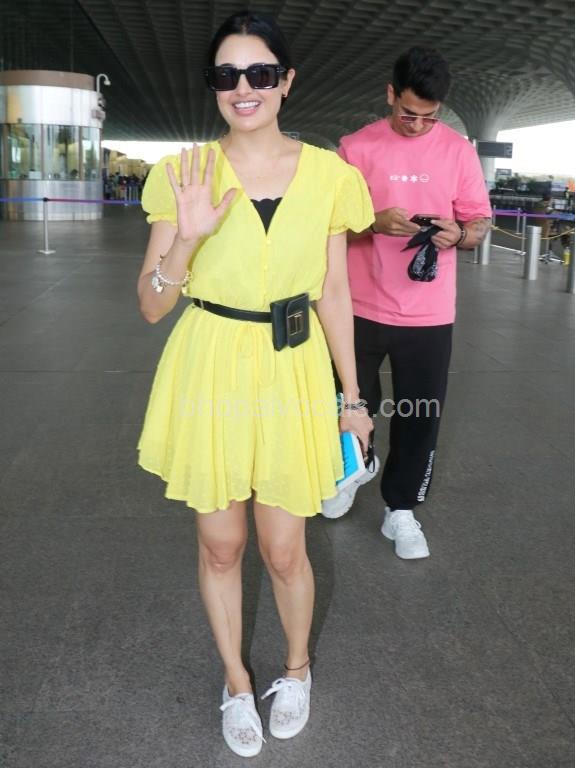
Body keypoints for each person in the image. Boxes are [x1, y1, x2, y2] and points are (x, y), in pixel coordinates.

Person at [136, 10, 373, 758]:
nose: (245, 88)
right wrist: (187, 237)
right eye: (227, 75)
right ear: (213, 86)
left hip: (292, 364)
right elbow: (151, 305)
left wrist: (353, 398)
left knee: (284, 547)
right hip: (209, 361)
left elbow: (335, 294)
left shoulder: (331, 176)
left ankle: (297, 670)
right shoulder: (182, 174)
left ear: (286, 81)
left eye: (261, 73)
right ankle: (237, 681)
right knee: (220, 545)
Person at [321, 47, 491, 560]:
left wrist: (459, 234)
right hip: (359, 305)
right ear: (390, 94)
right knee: (349, 402)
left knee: (421, 414)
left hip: (428, 313)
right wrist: (373, 222)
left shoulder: (458, 152)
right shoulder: (354, 148)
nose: (417, 125)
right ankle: (354, 468)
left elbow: (479, 224)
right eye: (407, 113)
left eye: (429, 117)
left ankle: (400, 509)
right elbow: (328, 225)